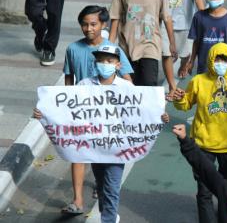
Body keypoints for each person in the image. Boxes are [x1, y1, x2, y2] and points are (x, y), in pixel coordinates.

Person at [34, 45, 169, 221]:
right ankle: (108, 214)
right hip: (94, 148)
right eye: (100, 60)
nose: (104, 64)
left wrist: (161, 117)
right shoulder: (84, 85)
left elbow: (141, 112)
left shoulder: (126, 87)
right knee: (102, 185)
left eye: (109, 60)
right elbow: (67, 112)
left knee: (112, 188)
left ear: (118, 65)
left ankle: (108, 218)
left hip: (118, 149)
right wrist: (43, 113)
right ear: (95, 63)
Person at [60, 5, 134, 214]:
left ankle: (102, 190)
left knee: (104, 158)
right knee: (78, 153)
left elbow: (128, 79)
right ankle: (77, 201)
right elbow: (69, 79)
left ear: (103, 25)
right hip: (84, 113)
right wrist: (68, 105)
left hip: (110, 118)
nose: (88, 28)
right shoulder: (73, 49)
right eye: (84, 24)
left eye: (93, 24)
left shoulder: (112, 50)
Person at [172, 43, 227, 222]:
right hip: (203, 144)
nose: (220, 63)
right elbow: (185, 104)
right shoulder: (198, 81)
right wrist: (179, 99)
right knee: (204, 191)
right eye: (216, 59)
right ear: (210, 60)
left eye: (224, 59)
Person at [109, 0, 177, 92]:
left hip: (150, 44)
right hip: (126, 45)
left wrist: (172, 43)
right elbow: (115, 17)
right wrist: (109, 46)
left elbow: (167, 18)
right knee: (129, 86)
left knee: (148, 84)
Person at [157, 0, 205, 80]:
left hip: (186, 24)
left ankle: (183, 65)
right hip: (163, 24)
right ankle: (171, 83)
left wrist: (205, 18)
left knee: (185, 53)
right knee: (166, 54)